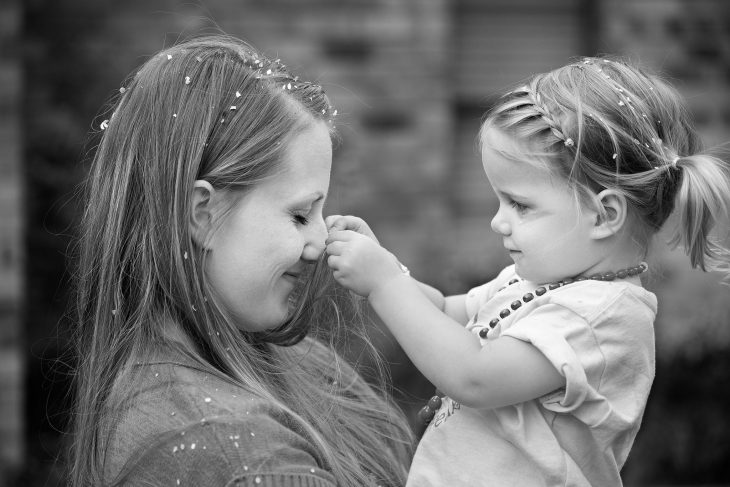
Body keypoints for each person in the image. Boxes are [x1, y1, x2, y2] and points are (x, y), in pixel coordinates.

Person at [325, 56, 730, 486]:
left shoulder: (601, 316)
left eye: (520, 204)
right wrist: (386, 269)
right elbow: (445, 311)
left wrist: (386, 285)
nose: (499, 221)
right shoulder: (539, 281)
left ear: (603, 214)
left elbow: (474, 376)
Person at [69, 35, 414, 487]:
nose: (320, 241)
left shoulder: (277, 358)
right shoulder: (236, 450)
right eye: (299, 214)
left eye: (320, 212)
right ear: (202, 214)